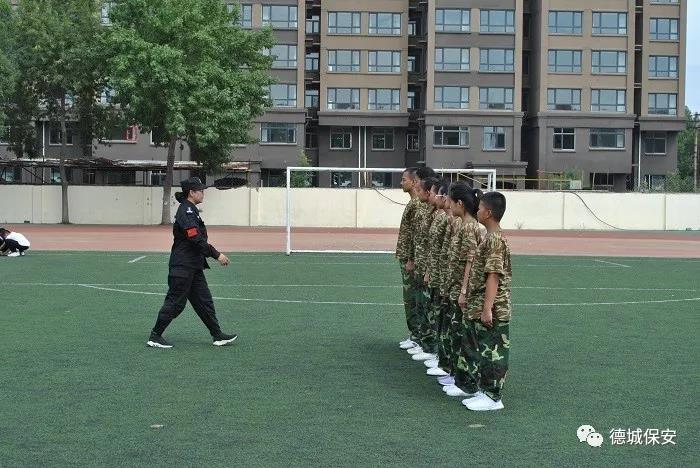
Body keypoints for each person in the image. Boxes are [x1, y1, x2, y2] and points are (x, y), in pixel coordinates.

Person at [146, 177, 238, 349]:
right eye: (200, 190)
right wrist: (217, 255)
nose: (203, 193)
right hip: (183, 267)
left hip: (193, 267)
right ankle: (155, 336)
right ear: (192, 192)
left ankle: (217, 335)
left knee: (204, 301)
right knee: (175, 303)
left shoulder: (191, 210)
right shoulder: (186, 211)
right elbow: (195, 237)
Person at [460, 191, 512, 411]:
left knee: (493, 352)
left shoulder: (495, 240)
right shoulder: (489, 238)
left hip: (494, 307)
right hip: (482, 304)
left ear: (488, 213)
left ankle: (493, 397)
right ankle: (485, 391)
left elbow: (493, 276)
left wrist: (487, 308)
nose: (477, 210)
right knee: (484, 350)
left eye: (480, 207)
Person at [396, 168, 420, 350]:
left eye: (404, 179)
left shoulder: (417, 204)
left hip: (411, 259)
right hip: (406, 256)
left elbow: (416, 235)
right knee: (410, 298)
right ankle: (415, 334)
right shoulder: (413, 203)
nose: (401, 183)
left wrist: (411, 258)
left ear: (414, 182)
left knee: (413, 298)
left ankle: (418, 335)